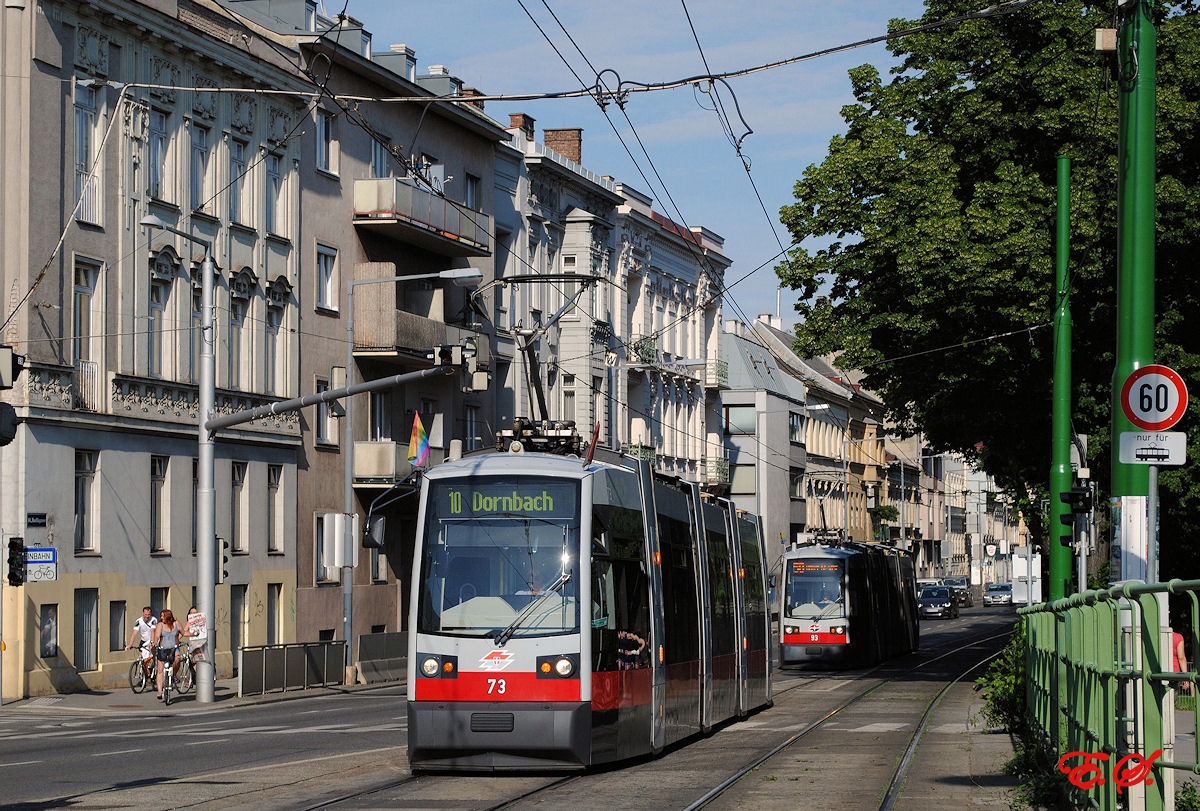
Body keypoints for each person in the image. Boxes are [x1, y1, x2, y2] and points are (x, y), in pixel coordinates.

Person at [151, 609, 184, 700]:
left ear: (168, 616)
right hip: (163, 649)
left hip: (174, 648)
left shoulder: (176, 623)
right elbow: (157, 636)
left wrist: (194, 633)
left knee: (177, 660)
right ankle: (159, 691)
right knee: (160, 670)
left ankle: (173, 675)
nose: (161, 618)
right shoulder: (160, 625)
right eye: (161, 616)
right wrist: (154, 643)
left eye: (163, 616)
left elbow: (184, 633)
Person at [125, 606, 157, 676]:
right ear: (143, 613)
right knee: (143, 659)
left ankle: (154, 668)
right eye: (145, 614)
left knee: (152, 655)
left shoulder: (153, 620)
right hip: (143, 641)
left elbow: (153, 631)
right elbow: (134, 633)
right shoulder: (138, 621)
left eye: (149, 614)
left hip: (152, 640)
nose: (147, 616)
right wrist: (130, 644)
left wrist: (151, 642)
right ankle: (143, 676)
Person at [1173, 628, 1192, 694]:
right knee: (1172, 700)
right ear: (1169, 621)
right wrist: (1186, 678)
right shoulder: (1178, 637)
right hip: (1173, 673)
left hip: (1156, 671)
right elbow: (1181, 658)